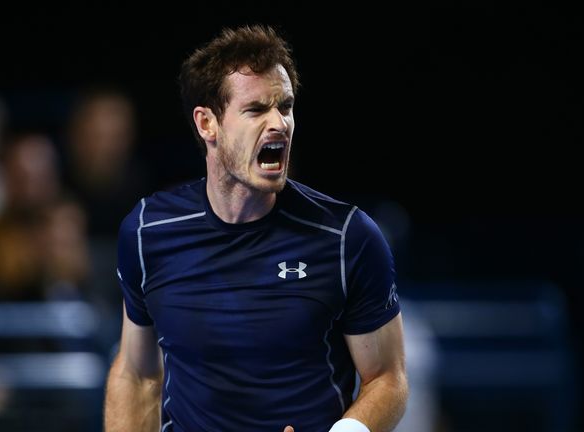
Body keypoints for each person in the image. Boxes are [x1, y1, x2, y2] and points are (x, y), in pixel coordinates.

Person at [105, 25, 408, 432]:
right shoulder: (147, 231)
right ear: (207, 124)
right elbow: (138, 375)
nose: (279, 123)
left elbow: (388, 379)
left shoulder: (348, 238)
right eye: (256, 110)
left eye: (285, 106)